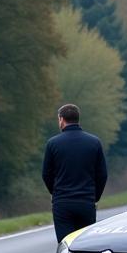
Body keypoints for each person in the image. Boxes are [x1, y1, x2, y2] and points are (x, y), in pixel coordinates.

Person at [42, 103, 108, 242]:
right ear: (78, 119)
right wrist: (94, 197)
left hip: (63, 203)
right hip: (86, 202)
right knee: (85, 245)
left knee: (66, 244)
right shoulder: (94, 142)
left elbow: (46, 174)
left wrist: (55, 193)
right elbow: (102, 175)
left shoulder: (53, 143)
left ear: (61, 119)